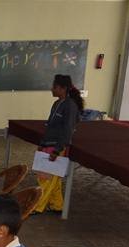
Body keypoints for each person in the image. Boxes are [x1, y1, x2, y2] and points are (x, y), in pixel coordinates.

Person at [34, 74, 83, 214]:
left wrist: (57, 149)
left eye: (54, 87)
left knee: (47, 179)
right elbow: (50, 126)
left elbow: (68, 130)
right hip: (48, 144)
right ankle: (57, 205)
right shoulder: (57, 104)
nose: (52, 89)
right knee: (53, 178)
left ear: (63, 89)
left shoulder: (70, 106)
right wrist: (42, 143)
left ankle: (37, 207)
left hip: (56, 147)